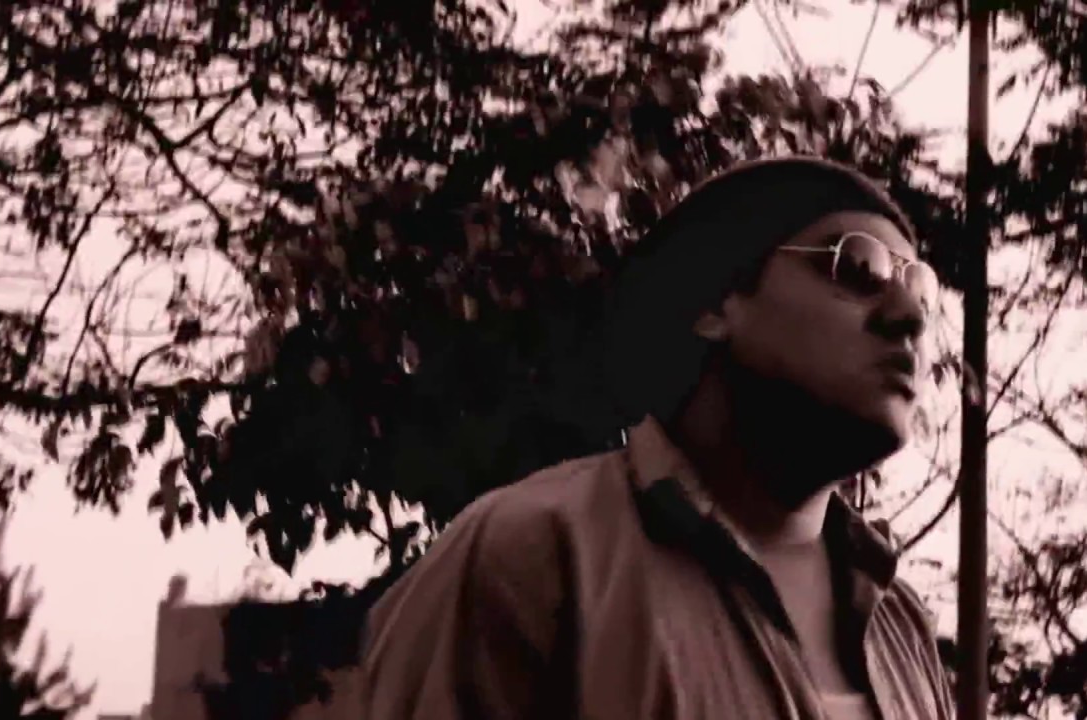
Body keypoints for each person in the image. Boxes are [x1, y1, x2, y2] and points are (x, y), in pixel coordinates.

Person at [355, 157, 955, 720]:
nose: (909, 315)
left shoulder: (901, 626)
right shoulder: (533, 556)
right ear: (714, 303)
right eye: (860, 268)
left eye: (922, 292)